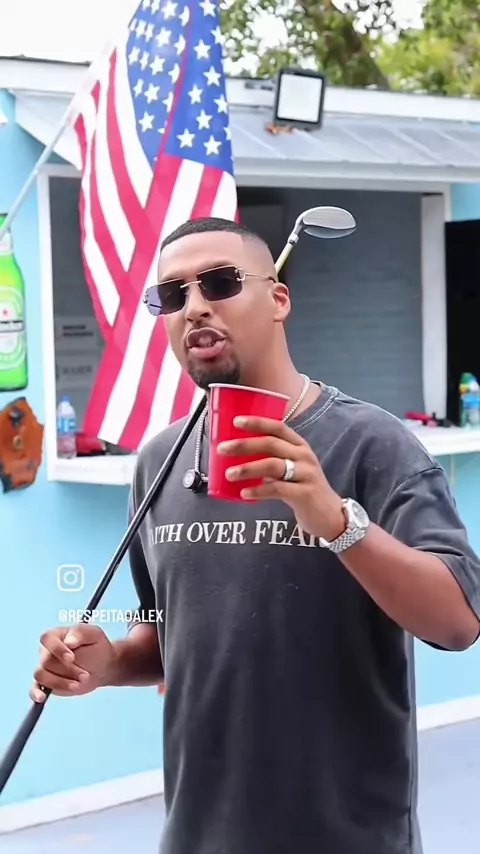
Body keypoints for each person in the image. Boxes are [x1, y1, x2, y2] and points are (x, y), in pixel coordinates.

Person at [32, 217, 480, 854]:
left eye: (219, 282)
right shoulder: (159, 459)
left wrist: (338, 522)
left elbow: (459, 622)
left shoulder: (372, 444)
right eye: (172, 294)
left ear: (278, 299)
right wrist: (105, 664)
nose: (195, 307)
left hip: (346, 837)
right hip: (197, 835)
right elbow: (165, 639)